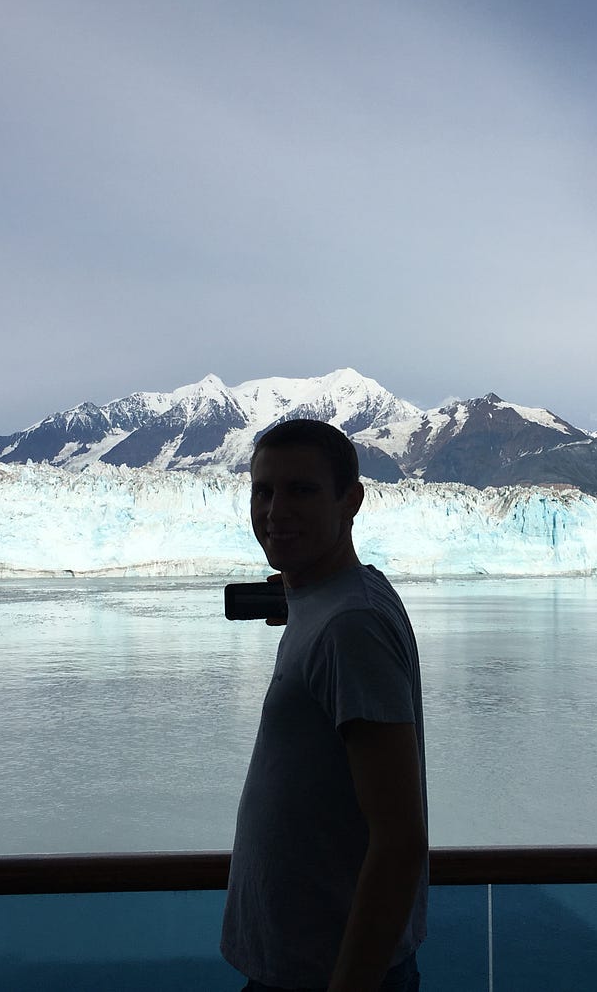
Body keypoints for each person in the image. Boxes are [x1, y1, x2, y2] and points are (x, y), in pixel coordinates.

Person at [222, 419, 428, 992]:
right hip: (301, 967)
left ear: (351, 499)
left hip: (330, 975)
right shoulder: (327, 597)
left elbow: (399, 840)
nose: (275, 510)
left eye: (302, 490)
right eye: (263, 491)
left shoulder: (350, 625)